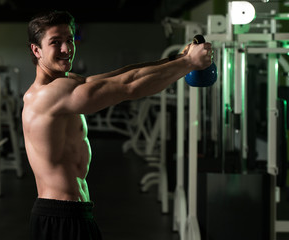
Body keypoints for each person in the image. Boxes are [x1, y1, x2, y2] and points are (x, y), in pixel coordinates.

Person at [22, 10, 213, 240]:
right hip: (61, 219)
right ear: (36, 49)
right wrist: (189, 63)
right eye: (55, 42)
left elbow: (119, 76)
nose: (66, 49)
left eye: (69, 40)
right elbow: (128, 88)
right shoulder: (48, 95)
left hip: (73, 213)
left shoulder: (66, 82)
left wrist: (174, 61)